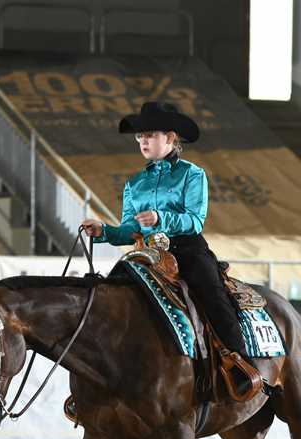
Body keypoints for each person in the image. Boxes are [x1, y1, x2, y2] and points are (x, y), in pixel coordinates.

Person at [81, 101, 262, 399]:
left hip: (187, 249)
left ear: (170, 137)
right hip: (146, 253)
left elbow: (195, 220)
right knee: (108, 297)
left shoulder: (192, 174)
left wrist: (160, 218)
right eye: (140, 136)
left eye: (150, 135)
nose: (143, 141)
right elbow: (129, 229)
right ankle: (98, 378)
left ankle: (239, 363)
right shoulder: (134, 184)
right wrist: (105, 231)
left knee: (212, 293)